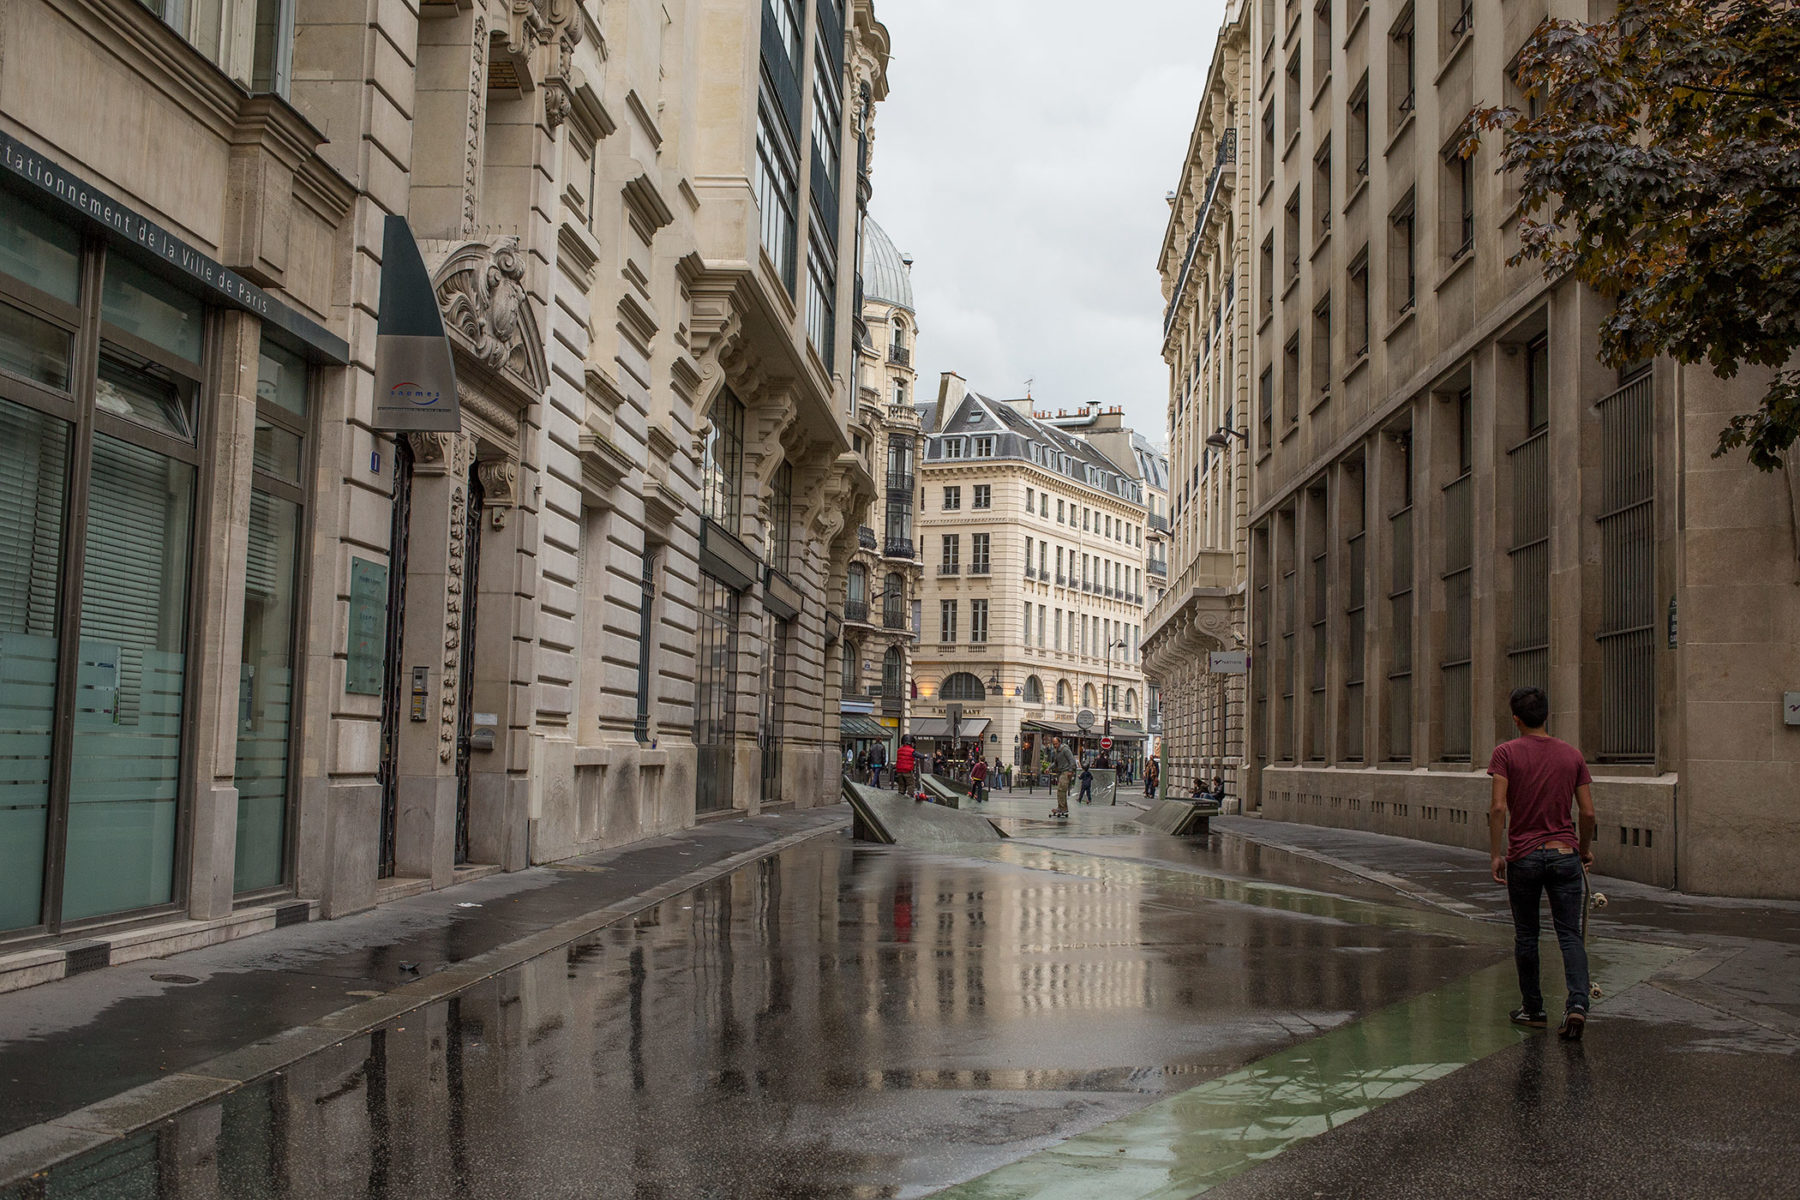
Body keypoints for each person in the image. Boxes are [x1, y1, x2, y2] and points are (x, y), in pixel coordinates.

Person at [1489, 686, 1596, 1042]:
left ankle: (1533, 1010)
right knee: (1569, 934)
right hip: (1565, 852)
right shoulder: (1572, 755)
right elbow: (1588, 811)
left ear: (1516, 719)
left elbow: (1499, 807)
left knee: (1527, 935)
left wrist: (1495, 853)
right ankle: (1578, 1003)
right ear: (1547, 716)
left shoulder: (1505, 753)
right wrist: (1583, 849)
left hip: (1525, 856)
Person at [1048, 736, 1077, 819]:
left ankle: (1062, 808)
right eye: (1054, 744)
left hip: (1066, 771)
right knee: (1060, 790)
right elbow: (1056, 763)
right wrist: (1049, 768)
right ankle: (1061, 807)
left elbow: (1072, 760)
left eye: (1056, 744)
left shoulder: (1065, 749)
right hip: (1061, 772)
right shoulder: (1057, 751)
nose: (1055, 746)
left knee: (1061, 789)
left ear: (1059, 743)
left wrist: (1071, 770)